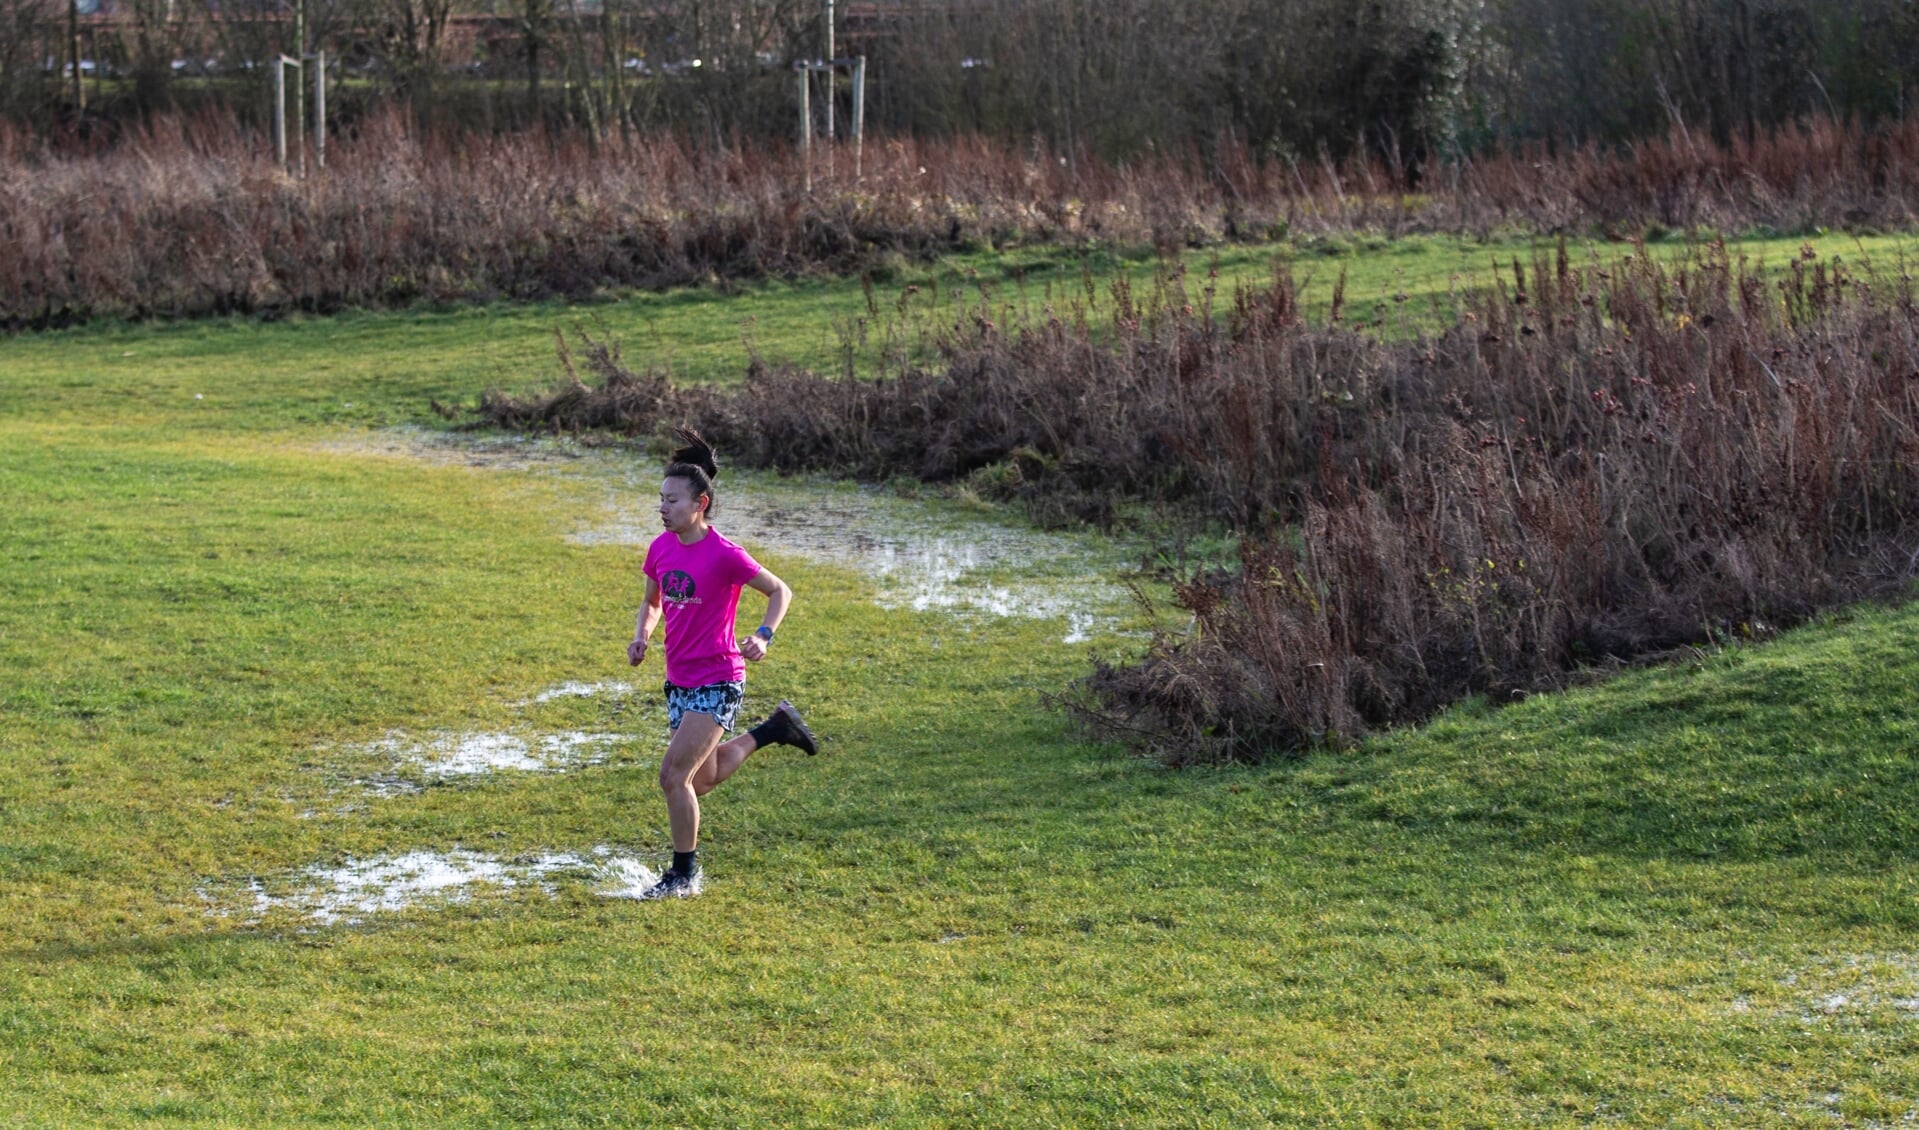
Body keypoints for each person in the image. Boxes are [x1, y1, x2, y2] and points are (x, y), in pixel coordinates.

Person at [626, 430, 817, 899]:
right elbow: (652, 602)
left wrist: (763, 635)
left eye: (672, 500)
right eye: (660, 499)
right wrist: (641, 636)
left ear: (700, 503)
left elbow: (780, 591)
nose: (663, 508)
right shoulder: (660, 548)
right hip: (680, 680)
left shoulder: (725, 554)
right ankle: (775, 729)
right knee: (703, 780)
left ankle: (682, 875)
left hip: (719, 677)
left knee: (674, 776)